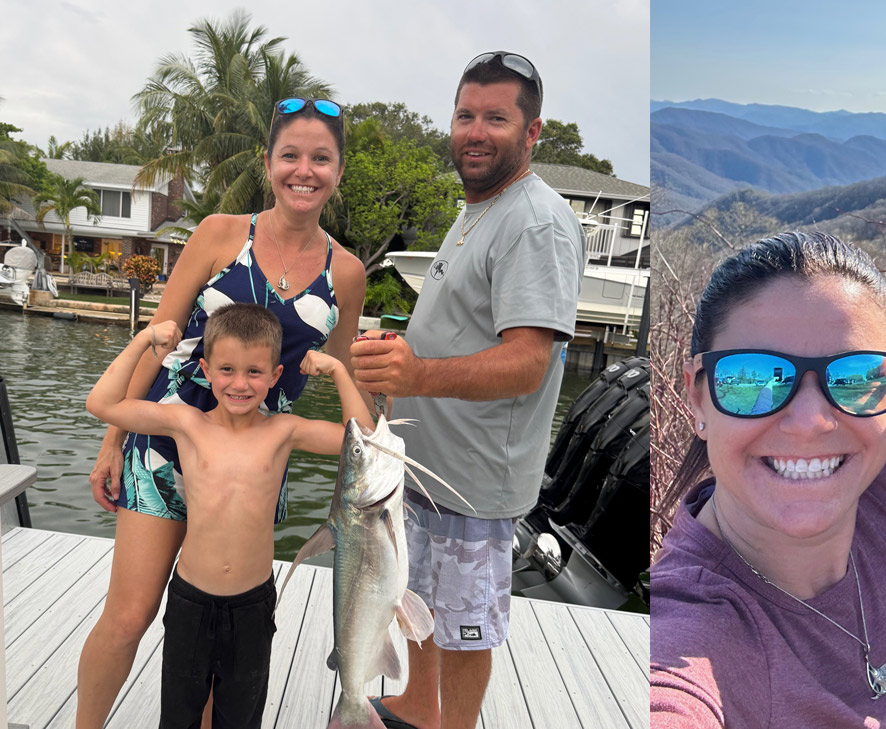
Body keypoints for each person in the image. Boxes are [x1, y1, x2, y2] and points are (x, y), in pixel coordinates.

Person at [77, 97, 366, 728]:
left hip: (257, 455)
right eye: (290, 155)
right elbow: (160, 335)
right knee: (128, 616)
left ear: (339, 171)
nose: (304, 170)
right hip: (163, 440)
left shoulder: (346, 273)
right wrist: (112, 441)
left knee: (221, 618)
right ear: (268, 164)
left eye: (321, 158)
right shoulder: (219, 233)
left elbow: (334, 382)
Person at [650, 231, 886, 728]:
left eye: (856, 378)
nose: (809, 421)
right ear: (698, 397)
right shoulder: (687, 638)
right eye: (754, 378)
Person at [351, 51, 584, 729]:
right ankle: (420, 707)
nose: (475, 130)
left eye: (495, 118)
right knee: (419, 601)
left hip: (475, 485)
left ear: (532, 132)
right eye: (465, 115)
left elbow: (526, 363)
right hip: (426, 468)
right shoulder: (479, 208)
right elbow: (463, 330)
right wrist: (401, 363)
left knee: (463, 627)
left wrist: (418, 375)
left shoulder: (534, 221)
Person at [85, 304, 373, 728]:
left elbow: (361, 439)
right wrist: (144, 340)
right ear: (205, 369)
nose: (240, 384)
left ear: (276, 376)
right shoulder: (186, 423)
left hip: (251, 608)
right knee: (180, 715)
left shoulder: (283, 431)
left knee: (240, 716)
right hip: (190, 602)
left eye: (255, 372)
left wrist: (338, 370)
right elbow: (102, 403)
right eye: (227, 370)